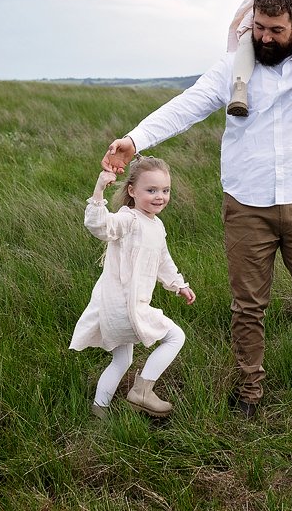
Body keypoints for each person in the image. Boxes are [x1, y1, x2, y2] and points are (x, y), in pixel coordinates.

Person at [103, 0, 292, 419]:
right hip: (246, 206)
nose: (265, 37)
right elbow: (187, 105)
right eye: (258, 27)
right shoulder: (233, 68)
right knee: (247, 307)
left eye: (276, 30)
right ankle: (249, 394)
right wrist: (135, 139)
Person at [70, 156, 197, 419]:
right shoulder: (129, 219)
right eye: (151, 190)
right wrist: (99, 190)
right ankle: (142, 391)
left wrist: (178, 284)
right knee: (176, 337)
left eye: (165, 190)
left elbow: (163, 260)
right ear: (132, 191)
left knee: (122, 361)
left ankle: (99, 410)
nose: (160, 196)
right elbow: (100, 226)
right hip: (126, 306)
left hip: (116, 307)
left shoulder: (156, 225)